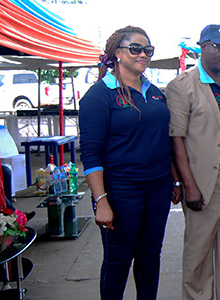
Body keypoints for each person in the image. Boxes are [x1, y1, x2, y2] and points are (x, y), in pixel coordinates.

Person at [79, 26, 180, 300]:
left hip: (157, 188)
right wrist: (101, 200)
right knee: (118, 260)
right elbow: (90, 153)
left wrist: (175, 179)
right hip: (121, 191)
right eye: (136, 48)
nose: (143, 54)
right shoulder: (99, 96)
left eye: (148, 50)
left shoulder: (155, 92)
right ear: (117, 54)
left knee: (149, 257)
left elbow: (163, 140)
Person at [166, 24, 220, 300]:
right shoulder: (182, 86)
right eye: (218, 46)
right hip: (206, 180)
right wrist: (187, 184)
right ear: (202, 47)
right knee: (200, 248)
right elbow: (175, 139)